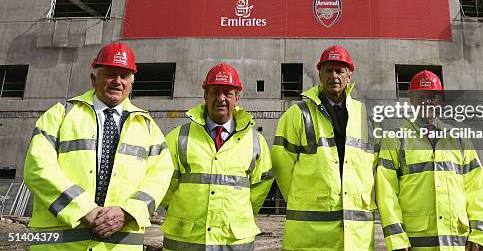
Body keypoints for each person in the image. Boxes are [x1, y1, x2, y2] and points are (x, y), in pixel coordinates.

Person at [24, 42, 174, 251]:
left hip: (120, 245)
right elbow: (38, 168)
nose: (117, 82)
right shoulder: (60, 115)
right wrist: (83, 209)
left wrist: (127, 212)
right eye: (110, 74)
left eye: (124, 76)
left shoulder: (148, 127)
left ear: (132, 83)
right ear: (94, 78)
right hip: (60, 245)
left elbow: (160, 177)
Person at [272, 45, 377, 251]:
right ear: (319, 73)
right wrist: (303, 198)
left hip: (357, 236)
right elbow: (280, 164)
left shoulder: (366, 115)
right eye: (328, 70)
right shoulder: (298, 114)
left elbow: (376, 165)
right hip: (310, 234)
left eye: (340, 70)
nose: (334, 76)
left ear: (350, 74)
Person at [161, 63, 273, 251]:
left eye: (227, 93)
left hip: (233, 241)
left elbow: (261, 185)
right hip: (186, 241)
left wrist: (239, 213)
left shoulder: (255, 141)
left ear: (237, 98)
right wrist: (182, 212)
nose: (221, 98)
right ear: (205, 96)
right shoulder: (179, 137)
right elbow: (163, 183)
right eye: (215, 92)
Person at [376, 70, 483, 251]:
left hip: (458, 242)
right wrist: (397, 239)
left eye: (432, 97)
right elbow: (386, 192)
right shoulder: (395, 139)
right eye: (421, 96)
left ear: (440, 101)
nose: (427, 101)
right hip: (416, 243)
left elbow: (476, 188)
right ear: (411, 100)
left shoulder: (459, 139)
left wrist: (479, 233)